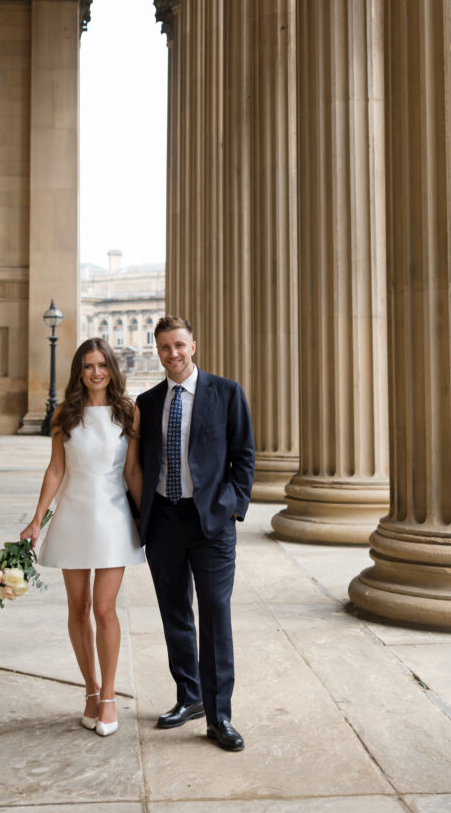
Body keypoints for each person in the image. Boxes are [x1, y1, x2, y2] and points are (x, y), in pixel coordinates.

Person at [136, 315, 255, 751]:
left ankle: (220, 714)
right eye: (165, 347)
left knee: (215, 615)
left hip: (211, 523)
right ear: (158, 350)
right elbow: (139, 466)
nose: (173, 353)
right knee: (175, 613)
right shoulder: (147, 403)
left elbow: (244, 454)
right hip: (164, 521)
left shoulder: (226, 393)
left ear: (194, 346)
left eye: (180, 345)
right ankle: (189, 697)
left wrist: (233, 506)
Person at [20, 337, 144, 738]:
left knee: (104, 608)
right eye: (88, 366)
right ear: (79, 370)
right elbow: (55, 470)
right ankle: (90, 690)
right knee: (78, 607)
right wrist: (36, 520)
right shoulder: (64, 414)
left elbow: (132, 473)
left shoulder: (128, 412)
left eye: (102, 365)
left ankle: (108, 697)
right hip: (73, 515)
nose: (96, 373)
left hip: (112, 518)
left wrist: (148, 522)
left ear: (112, 367)